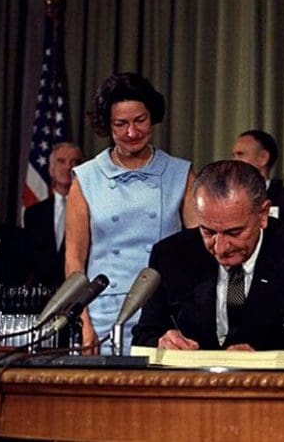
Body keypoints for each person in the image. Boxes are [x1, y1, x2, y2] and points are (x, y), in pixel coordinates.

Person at [132, 160, 284, 351]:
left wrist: (260, 355)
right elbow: (144, 335)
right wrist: (163, 341)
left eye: (234, 232)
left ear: (263, 214)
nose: (221, 247)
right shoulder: (171, 254)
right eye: (208, 232)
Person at [65, 72, 198, 355]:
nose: (132, 132)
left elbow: (200, 248)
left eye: (140, 121)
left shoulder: (180, 173)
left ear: (153, 117)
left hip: (166, 313)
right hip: (103, 312)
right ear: (107, 125)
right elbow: (74, 258)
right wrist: (83, 319)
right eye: (120, 124)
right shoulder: (86, 178)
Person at [24, 142, 84, 286]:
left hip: (79, 291)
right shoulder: (34, 214)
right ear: (51, 169)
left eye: (74, 162)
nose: (68, 167)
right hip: (43, 296)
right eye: (61, 161)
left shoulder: (91, 209)